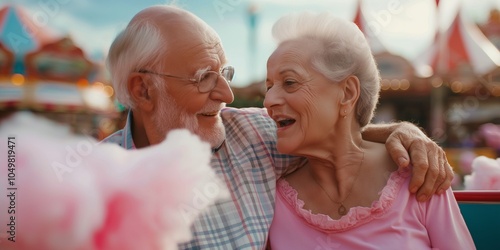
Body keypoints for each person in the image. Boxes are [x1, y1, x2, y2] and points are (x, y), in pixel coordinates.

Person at [102, 5, 454, 249]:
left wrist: (403, 132)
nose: (226, 95)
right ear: (143, 90)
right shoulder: (94, 186)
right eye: (203, 78)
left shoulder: (250, 135)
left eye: (225, 74)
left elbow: (333, 132)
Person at [265, 12, 474, 249]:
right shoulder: (272, 201)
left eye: (290, 82)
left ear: (347, 93)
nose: (268, 100)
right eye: (269, 86)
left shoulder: (418, 173)